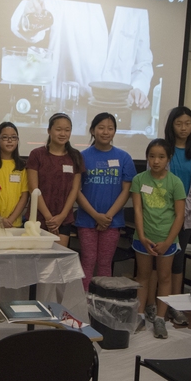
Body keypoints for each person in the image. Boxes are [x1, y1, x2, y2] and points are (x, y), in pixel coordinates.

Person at [9, 0, 153, 108]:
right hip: (66, 106)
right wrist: (30, 17)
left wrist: (139, 88)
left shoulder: (137, 6)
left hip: (118, 108)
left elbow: (143, 63)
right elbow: (30, 31)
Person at [131, 138, 186, 339]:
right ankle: (139, 316)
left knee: (164, 277)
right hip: (143, 238)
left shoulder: (175, 182)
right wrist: (143, 236)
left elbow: (180, 215)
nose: (156, 161)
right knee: (143, 277)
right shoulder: (139, 180)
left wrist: (169, 241)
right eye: (152, 156)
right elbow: (137, 209)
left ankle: (160, 319)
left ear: (168, 159)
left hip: (166, 239)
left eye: (161, 157)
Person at [75, 112, 135, 291]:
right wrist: (95, 216)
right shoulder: (82, 156)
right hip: (87, 220)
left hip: (112, 221)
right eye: (101, 127)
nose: (105, 132)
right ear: (92, 130)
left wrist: (107, 217)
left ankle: (102, 305)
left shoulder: (124, 158)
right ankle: (82, 304)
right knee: (87, 261)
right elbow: (75, 190)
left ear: (115, 131)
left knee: (104, 263)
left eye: (110, 128)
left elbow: (127, 190)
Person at [160, 106, 191, 326]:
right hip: (159, 217)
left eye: (188, 123)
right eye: (179, 123)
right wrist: (167, 213)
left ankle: (175, 307)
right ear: (171, 125)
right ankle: (156, 306)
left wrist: (180, 213)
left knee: (178, 263)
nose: (184, 128)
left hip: (185, 219)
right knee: (158, 265)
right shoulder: (162, 150)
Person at [26, 113, 83, 247]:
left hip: (63, 219)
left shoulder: (75, 156)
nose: (63, 133)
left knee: (57, 261)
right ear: (49, 130)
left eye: (67, 130)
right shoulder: (37, 154)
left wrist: (62, 217)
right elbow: (33, 188)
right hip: (38, 217)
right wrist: (49, 218)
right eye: (58, 129)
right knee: (36, 261)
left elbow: (75, 189)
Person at [0, 122, 29, 228]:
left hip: (14, 224)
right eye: (5, 137)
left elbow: (24, 196)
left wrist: (10, 219)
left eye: (13, 137)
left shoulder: (22, 166)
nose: (10, 140)